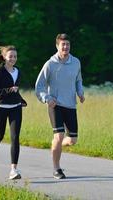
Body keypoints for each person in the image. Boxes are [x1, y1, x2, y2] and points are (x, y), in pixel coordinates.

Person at [35, 33, 85, 179]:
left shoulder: (76, 62)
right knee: (59, 135)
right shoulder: (50, 64)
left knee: (72, 140)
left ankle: (55, 146)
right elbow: (39, 87)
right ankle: (57, 169)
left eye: (67, 44)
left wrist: (80, 92)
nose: (65, 47)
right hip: (55, 104)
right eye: (62, 44)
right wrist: (47, 98)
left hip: (70, 104)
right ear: (57, 46)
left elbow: (78, 80)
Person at [0, 45, 27, 180]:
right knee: (0, 136)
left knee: (15, 137)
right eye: (10, 56)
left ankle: (13, 170)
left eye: (15, 56)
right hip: (0, 107)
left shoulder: (18, 71)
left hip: (15, 107)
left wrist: (20, 99)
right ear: (4, 57)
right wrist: (8, 90)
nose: (13, 59)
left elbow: (15, 89)